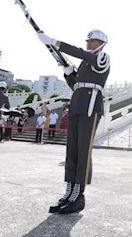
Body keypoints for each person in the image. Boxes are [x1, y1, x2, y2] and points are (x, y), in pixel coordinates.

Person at [38, 29, 110, 214]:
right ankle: (69, 193)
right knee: (72, 150)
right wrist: (68, 71)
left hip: (90, 107)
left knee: (83, 151)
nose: (88, 43)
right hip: (78, 105)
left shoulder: (103, 57)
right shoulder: (86, 63)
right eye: (88, 41)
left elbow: (80, 53)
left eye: (92, 41)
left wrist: (55, 42)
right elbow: (77, 84)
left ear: (101, 43)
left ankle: (79, 196)